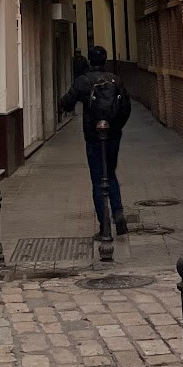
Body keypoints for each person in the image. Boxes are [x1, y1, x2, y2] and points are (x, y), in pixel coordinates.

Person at [58, 44, 131, 235]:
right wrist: (116, 127)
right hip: (113, 137)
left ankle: (104, 226)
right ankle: (118, 213)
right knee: (111, 174)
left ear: (90, 60)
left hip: (93, 137)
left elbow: (67, 102)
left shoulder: (84, 81)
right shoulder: (116, 80)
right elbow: (126, 108)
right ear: (105, 60)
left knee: (98, 179)